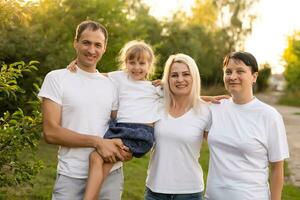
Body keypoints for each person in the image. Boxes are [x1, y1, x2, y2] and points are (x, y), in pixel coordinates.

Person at [38, 20, 131, 200]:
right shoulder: (57, 78)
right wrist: (97, 142)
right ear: (76, 43)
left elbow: (125, 122)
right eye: (86, 43)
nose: (91, 50)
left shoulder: (112, 84)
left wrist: (126, 149)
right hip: (71, 176)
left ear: (105, 48)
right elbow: (50, 132)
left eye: (98, 45)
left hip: (109, 173)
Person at [67, 40, 162, 200]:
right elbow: (94, 75)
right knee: (101, 160)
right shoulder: (119, 77)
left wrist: (214, 98)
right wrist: (77, 64)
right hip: (119, 129)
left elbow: (187, 96)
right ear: (125, 63)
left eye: (142, 63)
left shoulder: (155, 87)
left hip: (139, 133)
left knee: (96, 158)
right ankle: (93, 196)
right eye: (132, 63)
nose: (137, 67)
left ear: (149, 65)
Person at [205, 51, 290, 200]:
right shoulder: (215, 108)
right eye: (228, 72)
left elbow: (277, 168)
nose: (232, 77)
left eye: (240, 71)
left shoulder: (270, 116)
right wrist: (203, 97)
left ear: (254, 77)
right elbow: (181, 101)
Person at [144, 53, 211, 200]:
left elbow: (220, 148)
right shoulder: (156, 105)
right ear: (167, 79)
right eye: (174, 75)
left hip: (189, 192)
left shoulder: (206, 111)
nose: (180, 79)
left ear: (194, 77)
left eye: (186, 74)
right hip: (155, 191)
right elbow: (126, 83)